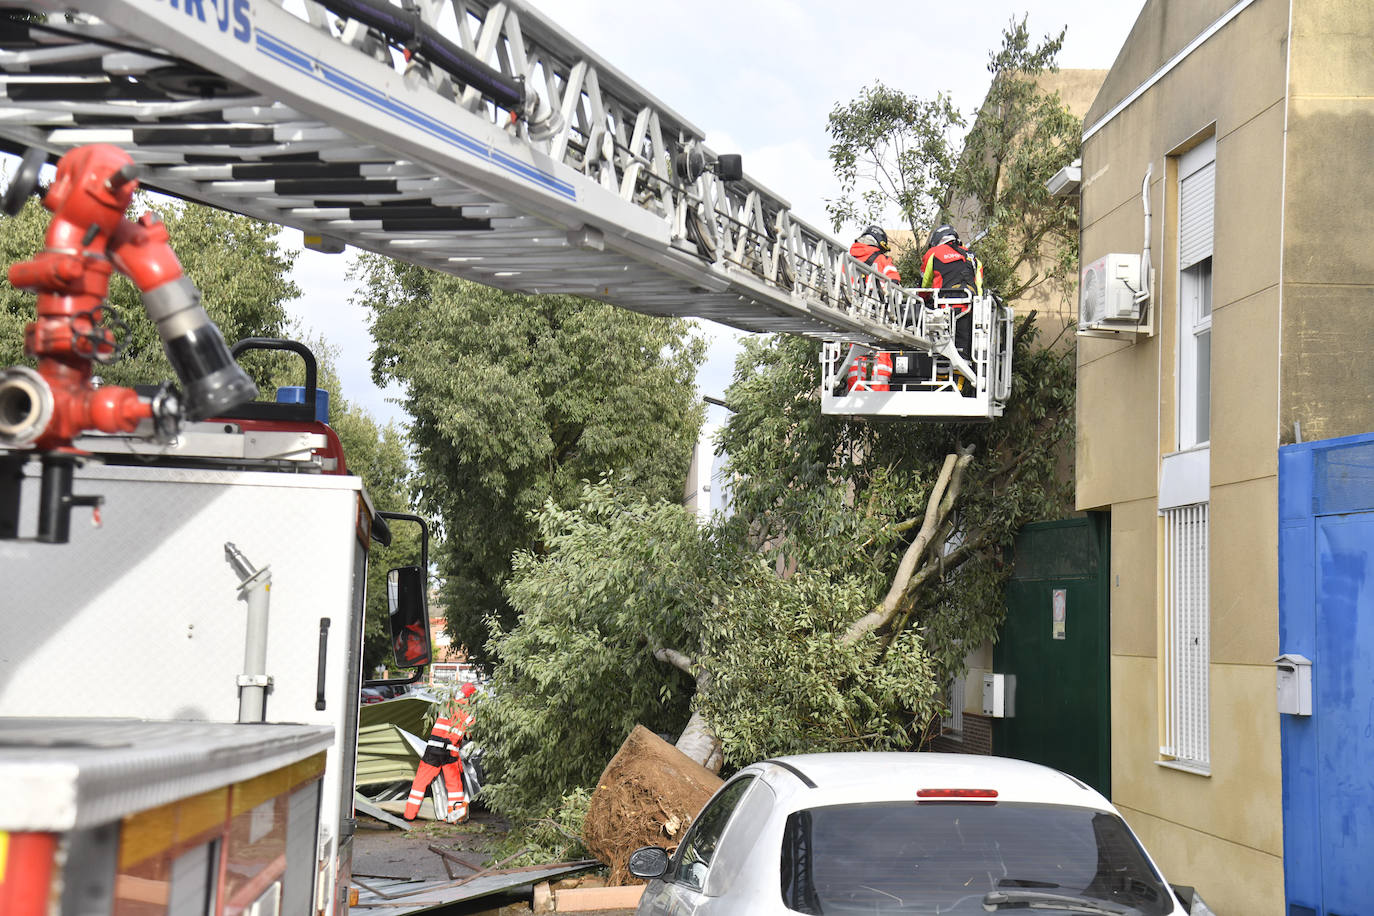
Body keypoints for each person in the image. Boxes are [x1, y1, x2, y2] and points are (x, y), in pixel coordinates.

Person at [920, 224, 983, 391]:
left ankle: (942, 387)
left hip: (943, 308)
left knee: (940, 349)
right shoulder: (973, 257)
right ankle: (959, 387)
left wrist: (921, 301)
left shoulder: (933, 253)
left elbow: (924, 285)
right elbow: (979, 286)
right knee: (963, 352)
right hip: (968, 309)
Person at [846, 226, 899, 392]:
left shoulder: (846, 259)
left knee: (855, 351)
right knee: (882, 349)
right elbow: (894, 284)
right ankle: (880, 389)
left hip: (852, 312)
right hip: (878, 313)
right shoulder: (882, 260)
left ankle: (855, 389)